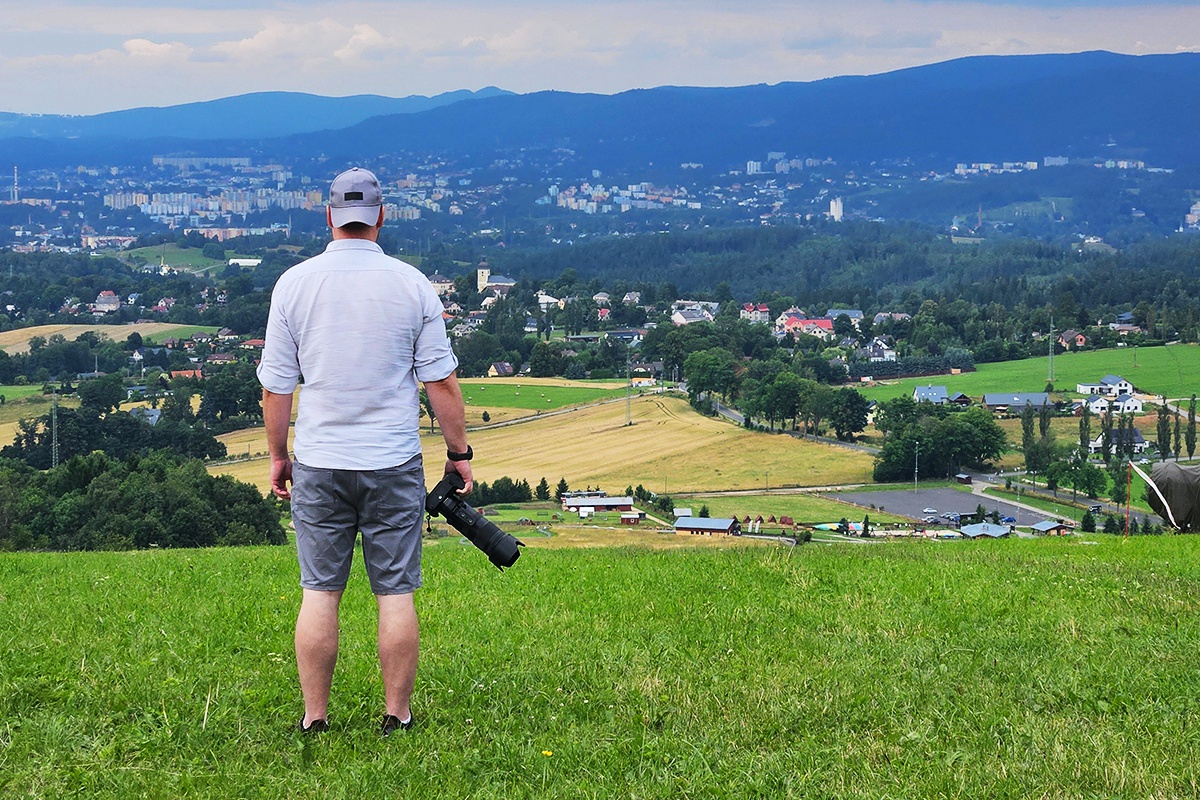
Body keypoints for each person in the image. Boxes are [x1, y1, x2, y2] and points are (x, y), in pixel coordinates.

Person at [257, 166, 473, 736]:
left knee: (319, 592)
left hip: (320, 459)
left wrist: (279, 455)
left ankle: (314, 718)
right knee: (395, 592)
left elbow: (276, 387)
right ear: (380, 216)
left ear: (330, 217)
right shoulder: (412, 284)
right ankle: (396, 716)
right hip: (391, 460)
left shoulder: (294, 284)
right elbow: (442, 383)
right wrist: (458, 452)